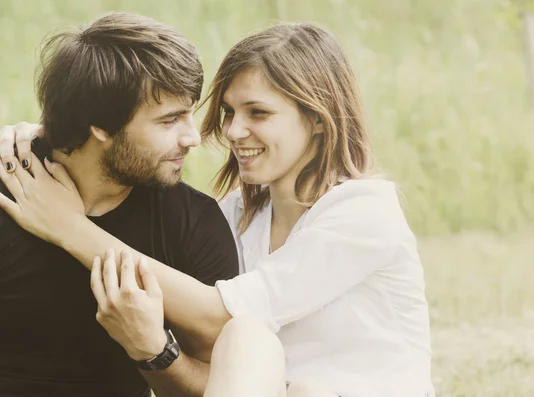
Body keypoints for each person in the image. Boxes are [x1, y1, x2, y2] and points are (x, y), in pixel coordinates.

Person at [0, 22, 435, 397]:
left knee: (253, 341)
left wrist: (69, 227)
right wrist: (53, 133)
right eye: (229, 111)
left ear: (319, 118)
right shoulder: (233, 217)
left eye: (258, 112)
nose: (232, 130)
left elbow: (225, 315)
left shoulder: (363, 213)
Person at [0, 12, 239, 397]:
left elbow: (220, 385)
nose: (192, 138)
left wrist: (154, 352)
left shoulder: (193, 222)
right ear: (100, 125)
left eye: (189, 114)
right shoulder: (8, 190)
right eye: (169, 121)